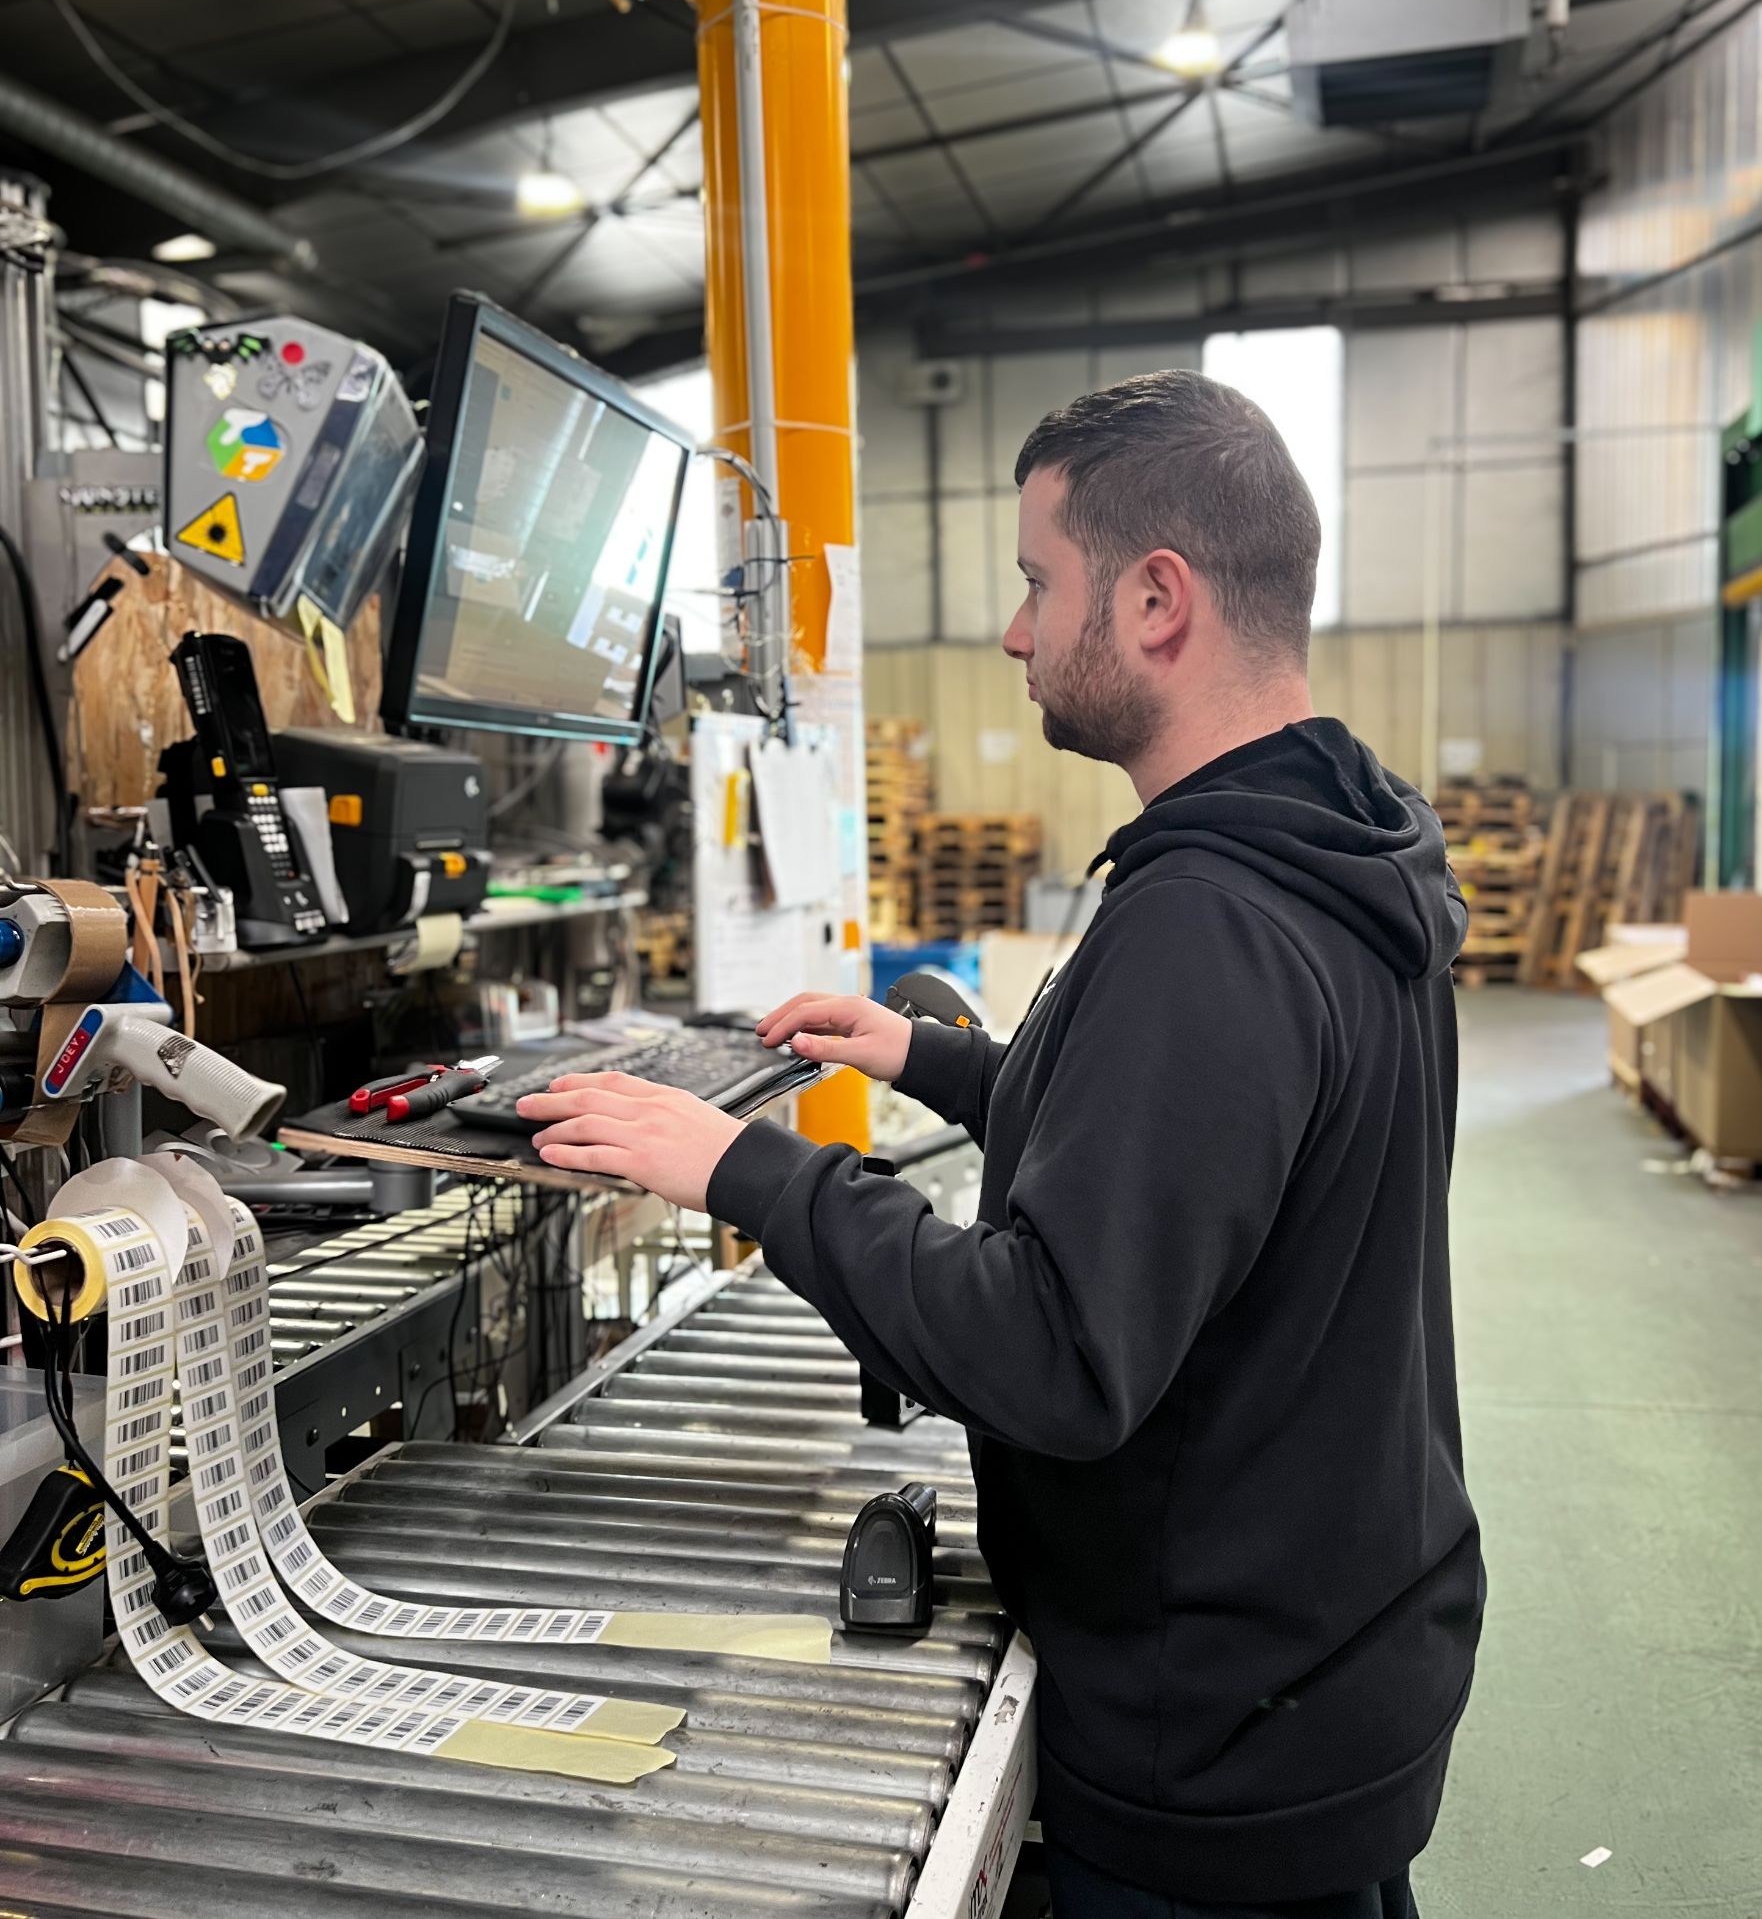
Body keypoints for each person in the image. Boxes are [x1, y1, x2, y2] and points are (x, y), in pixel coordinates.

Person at [517, 370, 1485, 1919]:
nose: (1018, 632)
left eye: (1039, 583)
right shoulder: (1337, 856)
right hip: (1332, 1645)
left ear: (1157, 599)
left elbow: (1054, 1354)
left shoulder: (1210, 925)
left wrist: (738, 1167)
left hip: (1207, 1738)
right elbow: (1210, 1150)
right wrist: (938, 1062)